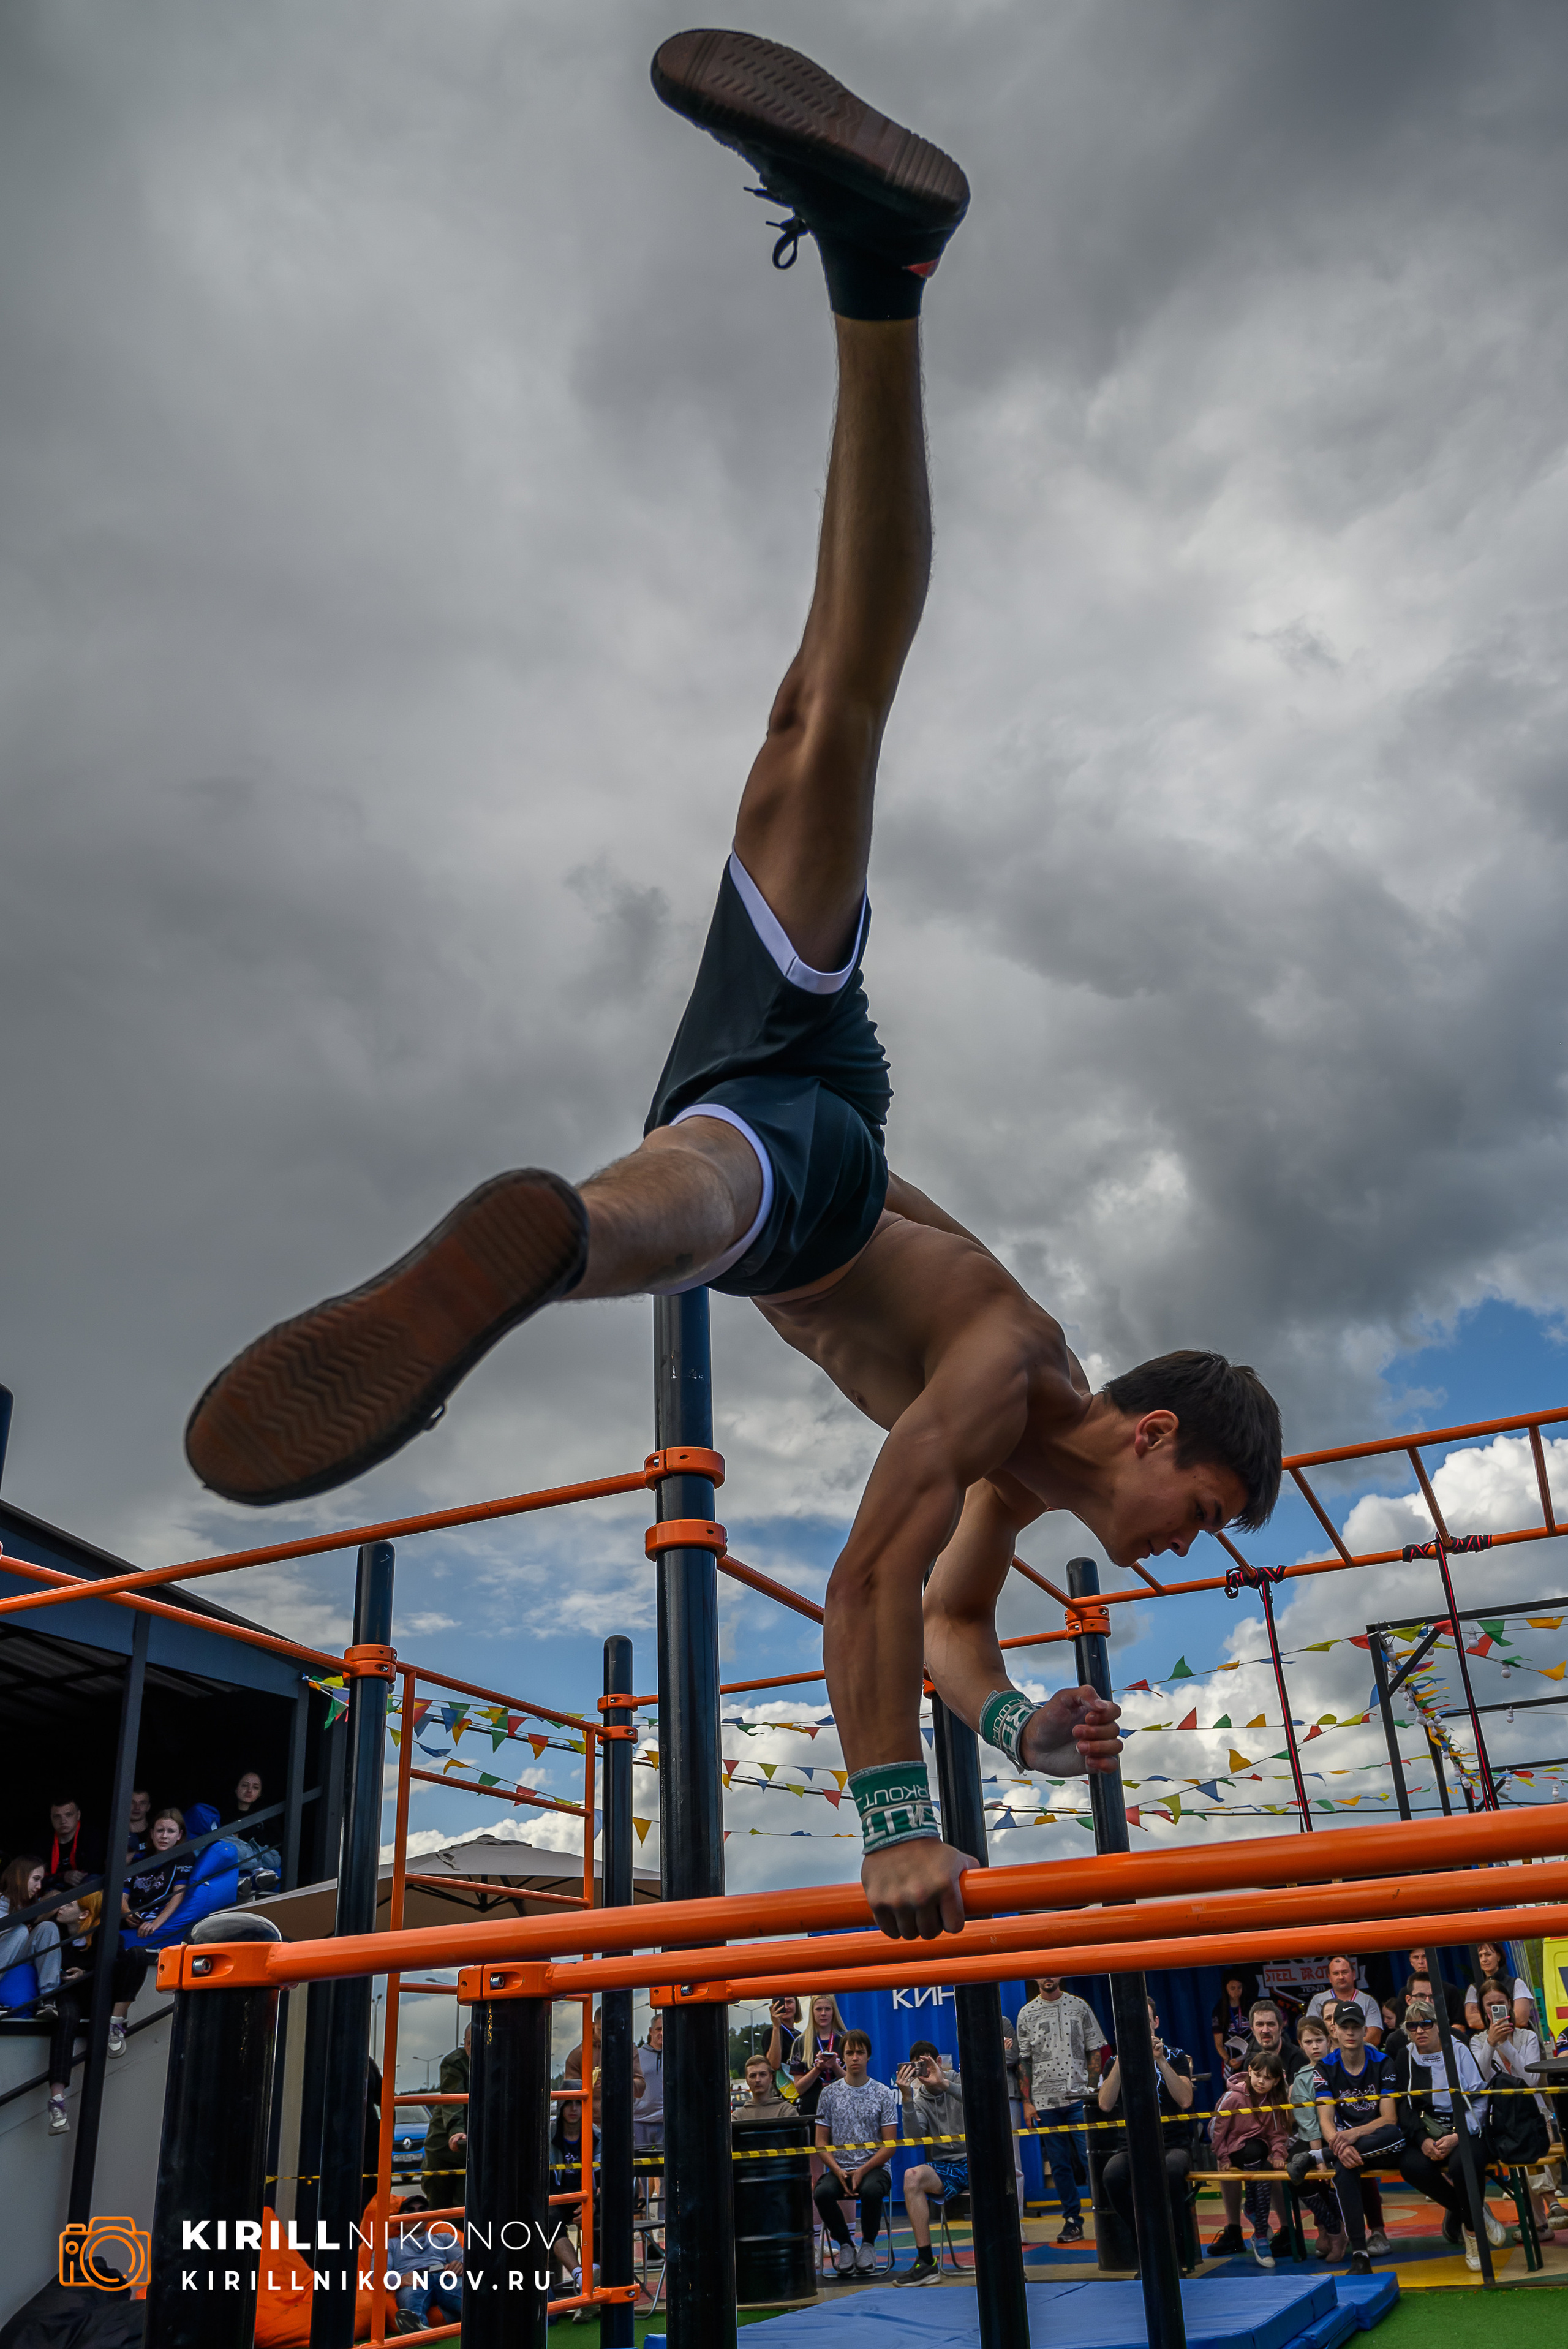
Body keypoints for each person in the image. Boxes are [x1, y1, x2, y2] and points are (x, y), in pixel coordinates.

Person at [182, 25, 1283, 1948]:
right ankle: (565, 1248)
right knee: (735, 1191)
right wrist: (888, 1827)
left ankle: (875, 272)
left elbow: (943, 1623)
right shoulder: (1004, 1369)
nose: (1188, 1555)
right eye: (1209, 1518)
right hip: (808, 1159)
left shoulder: (1017, 1475)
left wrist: (1016, 1733)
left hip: (781, 1112)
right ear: (1162, 1440)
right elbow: (865, 1583)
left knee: (815, 719)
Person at [1096, 1997, 1195, 2264]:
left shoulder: (1176, 2056)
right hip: (1131, 2145)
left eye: (1145, 2021)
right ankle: (1146, 2242)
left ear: (1156, 2023)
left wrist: (1161, 2060)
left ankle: (1173, 2248)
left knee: (1171, 2171)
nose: (1140, 2027)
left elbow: (1186, 2100)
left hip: (1172, 2144)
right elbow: (1105, 2104)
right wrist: (1121, 2057)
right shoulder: (1114, 2062)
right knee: (1112, 2175)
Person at [1391, 2000, 1489, 2259]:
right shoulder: (1405, 2056)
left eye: (1426, 2023)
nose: (1420, 2030)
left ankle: (1472, 2232)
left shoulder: (1459, 2050)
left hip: (1464, 2127)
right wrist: (1422, 2140)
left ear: (1438, 2025)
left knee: (1462, 2165)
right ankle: (1474, 2212)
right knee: (1411, 2166)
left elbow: (1480, 2100)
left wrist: (1458, 2136)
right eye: (1413, 2025)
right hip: (1427, 2130)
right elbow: (1404, 2105)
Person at [1313, 2001, 1403, 2272]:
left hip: (1380, 2142)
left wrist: (1352, 2135)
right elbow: (1325, 2121)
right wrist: (1339, 2145)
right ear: (1334, 2031)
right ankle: (1359, 2252)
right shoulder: (1325, 2068)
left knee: (1394, 2133)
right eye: (1345, 2027)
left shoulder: (1383, 2061)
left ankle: (1317, 2157)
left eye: (1356, 2027)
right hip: (1345, 2149)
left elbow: (1389, 2119)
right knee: (1344, 2168)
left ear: (1365, 2030)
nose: (1350, 2033)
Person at [1016, 1973, 1105, 2244]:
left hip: (1079, 2099)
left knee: (1092, 2158)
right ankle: (1072, 2221)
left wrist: (1091, 2090)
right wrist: (1027, 2102)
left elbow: (1095, 2050)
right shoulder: (1026, 2013)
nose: (1047, 1979)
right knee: (1059, 2165)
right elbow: (1024, 2061)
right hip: (1045, 2103)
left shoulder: (1079, 2006)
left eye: (1052, 1972)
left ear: (1061, 1975)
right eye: (1042, 1974)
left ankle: (1107, 2215)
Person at [1211, 2003, 1299, 2257]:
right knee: (1243, 2154)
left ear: (1282, 2026)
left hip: (1295, 2129)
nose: (1265, 2030)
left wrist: (1278, 2148)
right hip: (1256, 2136)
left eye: (1271, 2024)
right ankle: (1236, 2228)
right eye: (1259, 2025)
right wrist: (1224, 2153)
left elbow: (1288, 2118)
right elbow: (1222, 2123)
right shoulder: (1250, 2059)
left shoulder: (1296, 2055)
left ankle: (1284, 2228)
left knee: (1268, 2159)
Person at [1469, 1985, 1554, 2233]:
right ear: (1483, 2010)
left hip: (1535, 2118)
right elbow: (1478, 2081)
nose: (1496, 2009)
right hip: (1498, 2123)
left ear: (1509, 2004)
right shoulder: (1476, 2041)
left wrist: (1504, 2044)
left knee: (1525, 2141)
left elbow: (1529, 2080)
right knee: (1522, 2143)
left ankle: (1538, 2221)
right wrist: (1491, 2044)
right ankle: (1549, 2207)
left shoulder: (1527, 2037)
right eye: (1489, 2004)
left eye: (1501, 2003)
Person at [813, 2030, 898, 2278]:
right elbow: (820, 2143)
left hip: (875, 2169)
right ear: (842, 2058)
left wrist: (862, 2170)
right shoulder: (828, 2094)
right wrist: (838, 2171)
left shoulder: (883, 2093)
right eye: (850, 2053)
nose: (855, 2058)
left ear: (868, 2056)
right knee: (822, 2192)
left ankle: (869, 2246)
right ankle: (846, 2245)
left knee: (872, 2190)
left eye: (860, 2052)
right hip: (840, 2168)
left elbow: (890, 2145)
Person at [894, 2041, 966, 2287]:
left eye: (927, 2064)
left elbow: (981, 2102)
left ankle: (1002, 2257)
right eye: (918, 2067)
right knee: (912, 2176)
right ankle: (926, 2262)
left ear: (938, 2062)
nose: (924, 2071)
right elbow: (915, 2139)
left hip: (979, 2159)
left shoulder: (959, 2079)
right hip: (946, 2167)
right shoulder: (919, 2098)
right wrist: (906, 2098)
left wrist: (943, 2083)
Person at [1284, 2016, 1344, 2260]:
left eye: (1319, 2040)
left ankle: (1344, 2230)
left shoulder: (1341, 2067)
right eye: (1309, 2042)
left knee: (1339, 2171)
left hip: (1343, 2134)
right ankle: (1332, 2229)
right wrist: (1318, 2157)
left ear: (1330, 2041)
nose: (1315, 2046)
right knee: (1297, 2169)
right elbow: (1308, 2123)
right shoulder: (1301, 2078)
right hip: (1314, 2138)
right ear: (1301, 2044)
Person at [120, 1809, 192, 1944]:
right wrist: (126, 1912)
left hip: (153, 1917)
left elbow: (179, 1894)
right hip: (131, 1916)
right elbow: (123, 1894)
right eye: (160, 1831)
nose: (164, 1836)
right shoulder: (139, 1859)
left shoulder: (184, 1857)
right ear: (152, 1833)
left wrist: (155, 1923)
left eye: (171, 1831)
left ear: (179, 1835)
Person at [565, 2004, 644, 2125]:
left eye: (611, 2030)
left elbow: (641, 2088)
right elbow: (569, 2096)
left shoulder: (627, 2049)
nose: (607, 2035)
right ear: (592, 2025)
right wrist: (588, 2085)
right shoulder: (578, 2055)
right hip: (588, 2125)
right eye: (602, 2030)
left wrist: (621, 2081)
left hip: (621, 2122)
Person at [420, 2025, 470, 2205]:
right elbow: (453, 2098)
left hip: (472, 2152)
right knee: (438, 2206)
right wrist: (456, 2131)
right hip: (444, 2145)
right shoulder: (456, 2062)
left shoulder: (498, 2061)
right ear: (464, 2043)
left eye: (477, 2043)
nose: (472, 2048)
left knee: (465, 2206)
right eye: (469, 2043)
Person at [1306, 1957, 1383, 2046]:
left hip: (1360, 2055)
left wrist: (1348, 2049)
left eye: (1345, 1972)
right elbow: (1311, 2033)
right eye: (1336, 1973)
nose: (1341, 1977)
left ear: (1354, 1974)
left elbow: (1374, 2037)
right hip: (1328, 2056)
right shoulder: (1317, 2000)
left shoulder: (1368, 2001)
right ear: (1329, 1978)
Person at [1464, 1943, 1537, 2034]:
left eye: (1488, 1955)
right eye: (1480, 1956)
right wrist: (1507, 2020)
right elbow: (1472, 2021)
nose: (1484, 1959)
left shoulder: (1517, 1984)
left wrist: (1488, 2020)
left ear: (1498, 1957)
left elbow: (1520, 2019)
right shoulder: (1473, 1989)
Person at [230, 1769, 282, 1896]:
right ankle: (254, 1876)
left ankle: (257, 1870)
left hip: (266, 1858)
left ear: (260, 1793)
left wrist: (240, 1836)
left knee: (225, 1843)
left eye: (255, 1788)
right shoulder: (224, 1815)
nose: (249, 1790)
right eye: (244, 1785)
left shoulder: (267, 1816)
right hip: (237, 1858)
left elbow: (272, 1844)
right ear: (236, 1788)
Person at [42, 1796, 103, 1892]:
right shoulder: (44, 1841)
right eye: (57, 1816)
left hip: (83, 1889)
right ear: (51, 1818)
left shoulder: (91, 1835)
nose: (63, 1821)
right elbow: (36, 1877)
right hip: (53, 1890)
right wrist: (64, 1876)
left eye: (69, 1815)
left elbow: (93, 1870)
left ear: (78, 1815)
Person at [1212, 1972, 1258, 2082]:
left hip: (1253, 2057)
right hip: (1232, 2059)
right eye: (1233, 1988)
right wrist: (1228, 2060)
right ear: (1226, 1989)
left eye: (1239, 1988)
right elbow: (1218, 2044)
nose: (1236, 1991)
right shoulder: (1219, 2010)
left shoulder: (1250, 2006)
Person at [734, 2050, 794, 2125]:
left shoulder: (787, 2111)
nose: (758, 2080)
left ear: (771, 2078)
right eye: (753, 2076)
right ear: (747, 2080)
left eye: (763, 2074)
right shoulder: (737, 2117)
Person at [764, 1992, 805, 2086]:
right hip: (782, 2090)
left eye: (790, 2002)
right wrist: (776, 2027)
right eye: (782, 2003)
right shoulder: (771, 2033)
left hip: (801, 2087)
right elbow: (773, 2065)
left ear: (797, 2005)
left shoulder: (801, 2036)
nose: (786, 2007)